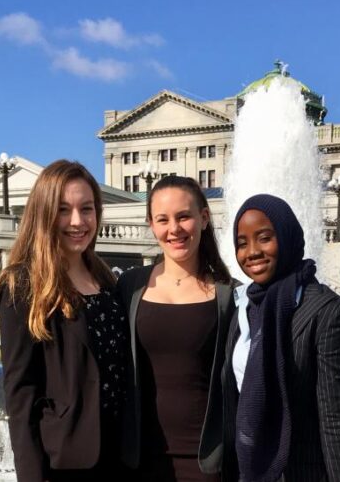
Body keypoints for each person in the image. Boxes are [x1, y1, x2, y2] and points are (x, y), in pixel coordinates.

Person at [0, 160, 135, 482]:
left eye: (86, 209)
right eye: (63, 210)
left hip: (122, 456)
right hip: (66, 462)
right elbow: (21, 395)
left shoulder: (106, 279)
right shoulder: (22, 284)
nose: (78, 221)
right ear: (44, 214)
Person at [222, 194, 340, 482]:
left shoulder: (327, 311)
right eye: (242, 243)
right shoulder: (243, 308)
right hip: (248, 471)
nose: (252, 252)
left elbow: (334, 419)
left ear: (286, 237)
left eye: (264, 238)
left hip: (302, 472)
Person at [116, 175, 235, 481]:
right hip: (139, 459)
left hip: (206, 461)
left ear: (204, 218)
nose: (174, 229)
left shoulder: (228, 293)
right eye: (162, 219)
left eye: (184, 216)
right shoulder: (130, 286)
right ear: (151, 224)